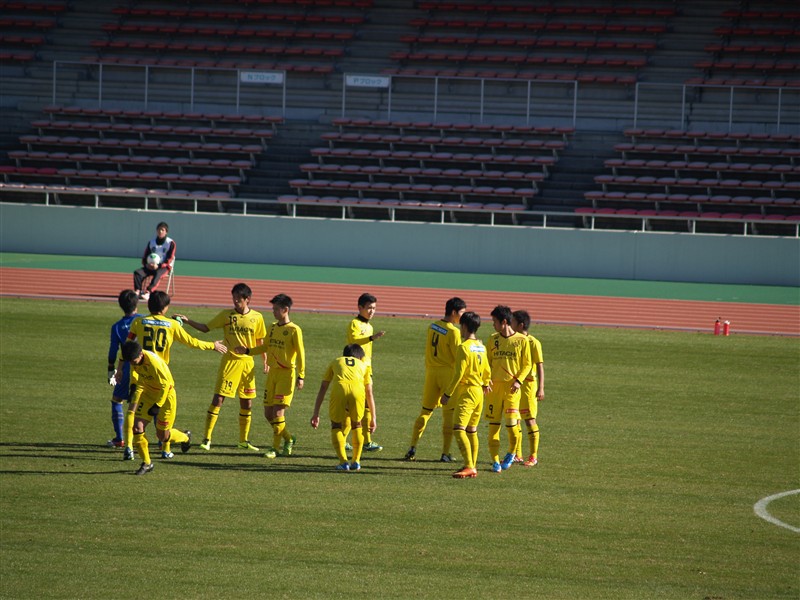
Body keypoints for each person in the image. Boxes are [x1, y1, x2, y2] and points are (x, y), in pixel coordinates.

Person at [125, 291, 226, 458]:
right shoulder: (172, 325)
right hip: (160, 372)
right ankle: (162, 449)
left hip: (141, 372)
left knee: (137, 412)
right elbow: (192, 342)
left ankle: (137, 448)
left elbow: (128, 344)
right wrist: (212, 345)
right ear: (165, 308)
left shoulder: (138, 322)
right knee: (156, 414)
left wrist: (123, 372)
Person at [174, 283, 267, 453]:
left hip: (248, 365)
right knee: (218, 399)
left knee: (247, 403)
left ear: (247, 299)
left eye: (238, 299)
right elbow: (205, 328)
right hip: (230, 363)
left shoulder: (257, 317)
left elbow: (260, 340)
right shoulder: (226, 315)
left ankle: (243, 441)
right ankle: (207, 439)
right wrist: (188, 321)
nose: (235, 301)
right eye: (233, 298)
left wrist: (265, 361)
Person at [236, 293, 305, 459]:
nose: (273, 312)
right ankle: (288, 438)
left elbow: (301, 354)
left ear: (285, 310)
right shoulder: (273, 327)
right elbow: (265, 347)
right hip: (272, 374)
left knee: (278, 413)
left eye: (275, 309)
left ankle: (274, 448)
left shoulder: (294, 330)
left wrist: (301, 376)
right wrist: (248, 351)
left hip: (286, 375)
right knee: (268, 414)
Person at [403, 297, 466, 462]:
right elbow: (457, 357)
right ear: (454, 312)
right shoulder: (454, 332)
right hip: (447, 375)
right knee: (448, 415)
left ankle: (412, 447)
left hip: (431, 374)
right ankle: (445, 453)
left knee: (425, 411)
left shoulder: (432, 326)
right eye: (462, 313)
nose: (463, 317)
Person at [120, 340, 192, 475]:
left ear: (141, 354)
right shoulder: (134, 359)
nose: (132, 364)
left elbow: (166, 385)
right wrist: (134, 387)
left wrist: (157, 405)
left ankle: (185, 437)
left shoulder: (154, 363)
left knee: (162, 436)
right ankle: (147, 463)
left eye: (134, 361)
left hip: (166, 397)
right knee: (137, 427)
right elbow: (139, 376)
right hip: (148, 394)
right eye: (130, 362)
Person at [310, 344, 376, 472]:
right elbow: (369, 392)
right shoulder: (364, 365)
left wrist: (316, 413)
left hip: (339, 390)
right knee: (357, 425)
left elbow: (323, 387)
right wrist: (373, 417)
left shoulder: (336, 361)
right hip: (357, 391)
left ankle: (343, 462)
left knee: (336, 425)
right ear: (359, 357)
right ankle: (356, 461)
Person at [441, 311, 490, 478]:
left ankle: (469, 466)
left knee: (458, 429)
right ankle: (472, 465)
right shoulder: (481, 347)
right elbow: (487, 370)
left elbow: (458, 374)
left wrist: (447, 394)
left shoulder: (463, 347)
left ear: (464, 326)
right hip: (479, 392)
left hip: (468, 391)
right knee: (471, 430)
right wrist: (485, 383)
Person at [484, 305, 532, 473]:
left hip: (511, 389)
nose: (493, 325)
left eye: (494, 322)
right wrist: (486, 380)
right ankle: (495, 461)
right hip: (494, 390)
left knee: (512, 425)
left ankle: (512, 453)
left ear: (504, 322)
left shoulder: (522, 340)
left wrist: (519, 381)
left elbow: (527, 364)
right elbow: (487, 363)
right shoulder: (492, 339)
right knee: (493, 427)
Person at [343, 292, 385, 452]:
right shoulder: (354, 324)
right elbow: (354, 341)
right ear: (360, 307)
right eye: (369, 308)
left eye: (374, 308)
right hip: (354, 369)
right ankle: (343, 438)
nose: (372, 311)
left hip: (366, 369)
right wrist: (371, 338)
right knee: (352, 406)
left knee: (367, 404)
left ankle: (367, 441)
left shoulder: (369, 326)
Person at [106, 289, 141, 460]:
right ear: (137, 304)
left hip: (126, 367)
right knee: (153, 401)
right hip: (146, 364)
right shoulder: (143, 320)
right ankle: (161, 441)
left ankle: (120, 438)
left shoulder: (117, 327)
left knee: (117, 400)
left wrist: (111, 369)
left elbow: (113, 350)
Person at [511, 310, 545, 467]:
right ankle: (517, 454)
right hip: (515, 384)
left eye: (512, 322)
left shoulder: (533, 342)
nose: (510, 324)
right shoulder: (514, 340)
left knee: (529, 420)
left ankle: (533, 456)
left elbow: (539, 366)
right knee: (515, 418)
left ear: (520, 325)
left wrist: (541, 388)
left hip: (529, 386)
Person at [133, 221, 175, 300]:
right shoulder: (151, 242)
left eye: (162, 230)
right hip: (150, 266)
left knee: (158, 273)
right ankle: (138, 291)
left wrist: (158, 266)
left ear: (166, 232)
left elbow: (170, 258)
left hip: (164, 267)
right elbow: (145, 256)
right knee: (137, 273)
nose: (160, 231)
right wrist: (146, 264)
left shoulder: (170, 243)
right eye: (159, 229)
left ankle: (148, 292)